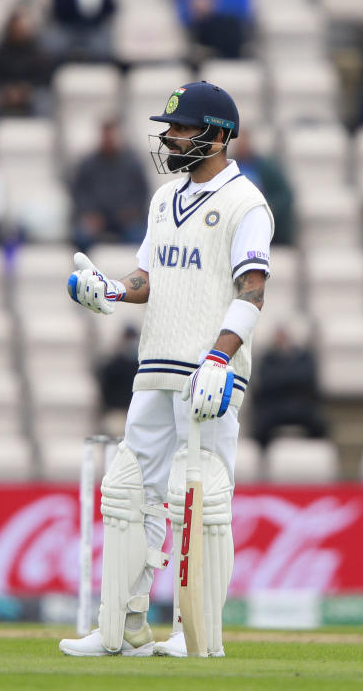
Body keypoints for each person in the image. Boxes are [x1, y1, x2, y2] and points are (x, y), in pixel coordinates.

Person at [59, 81, 273, 658]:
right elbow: (149, 278)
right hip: (154, 366)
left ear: (222, 136)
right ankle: (121, 628)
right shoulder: (162, 199)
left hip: (209, 376)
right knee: (131, 492)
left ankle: (196, 635)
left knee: (198, 497)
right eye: (170, 127)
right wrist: (109, 288)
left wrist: (220, 356)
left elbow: (251, 292)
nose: (171, 137)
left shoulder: (246, 204)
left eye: (184, 128)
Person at [70, 118, 150, 250]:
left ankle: (138, 270)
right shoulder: (88, 163)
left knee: (141, 237)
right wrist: (89, 213)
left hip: (126, 221)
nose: (109, 139)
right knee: (81, 237)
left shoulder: (133, 163)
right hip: (96, 220)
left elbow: (142, 192)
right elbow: (78, 193)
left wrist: (132, 212)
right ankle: (84, 270)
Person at [251, 325, 326, 449]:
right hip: (275, 408)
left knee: (320, 424)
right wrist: (293, 380)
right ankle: (262, 457)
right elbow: (265, 384)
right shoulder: (267, 359)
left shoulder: (304, 357)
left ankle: (316, 452)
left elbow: (309, 380)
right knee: (260, 427)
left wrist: (280, 379)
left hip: (300, 406)